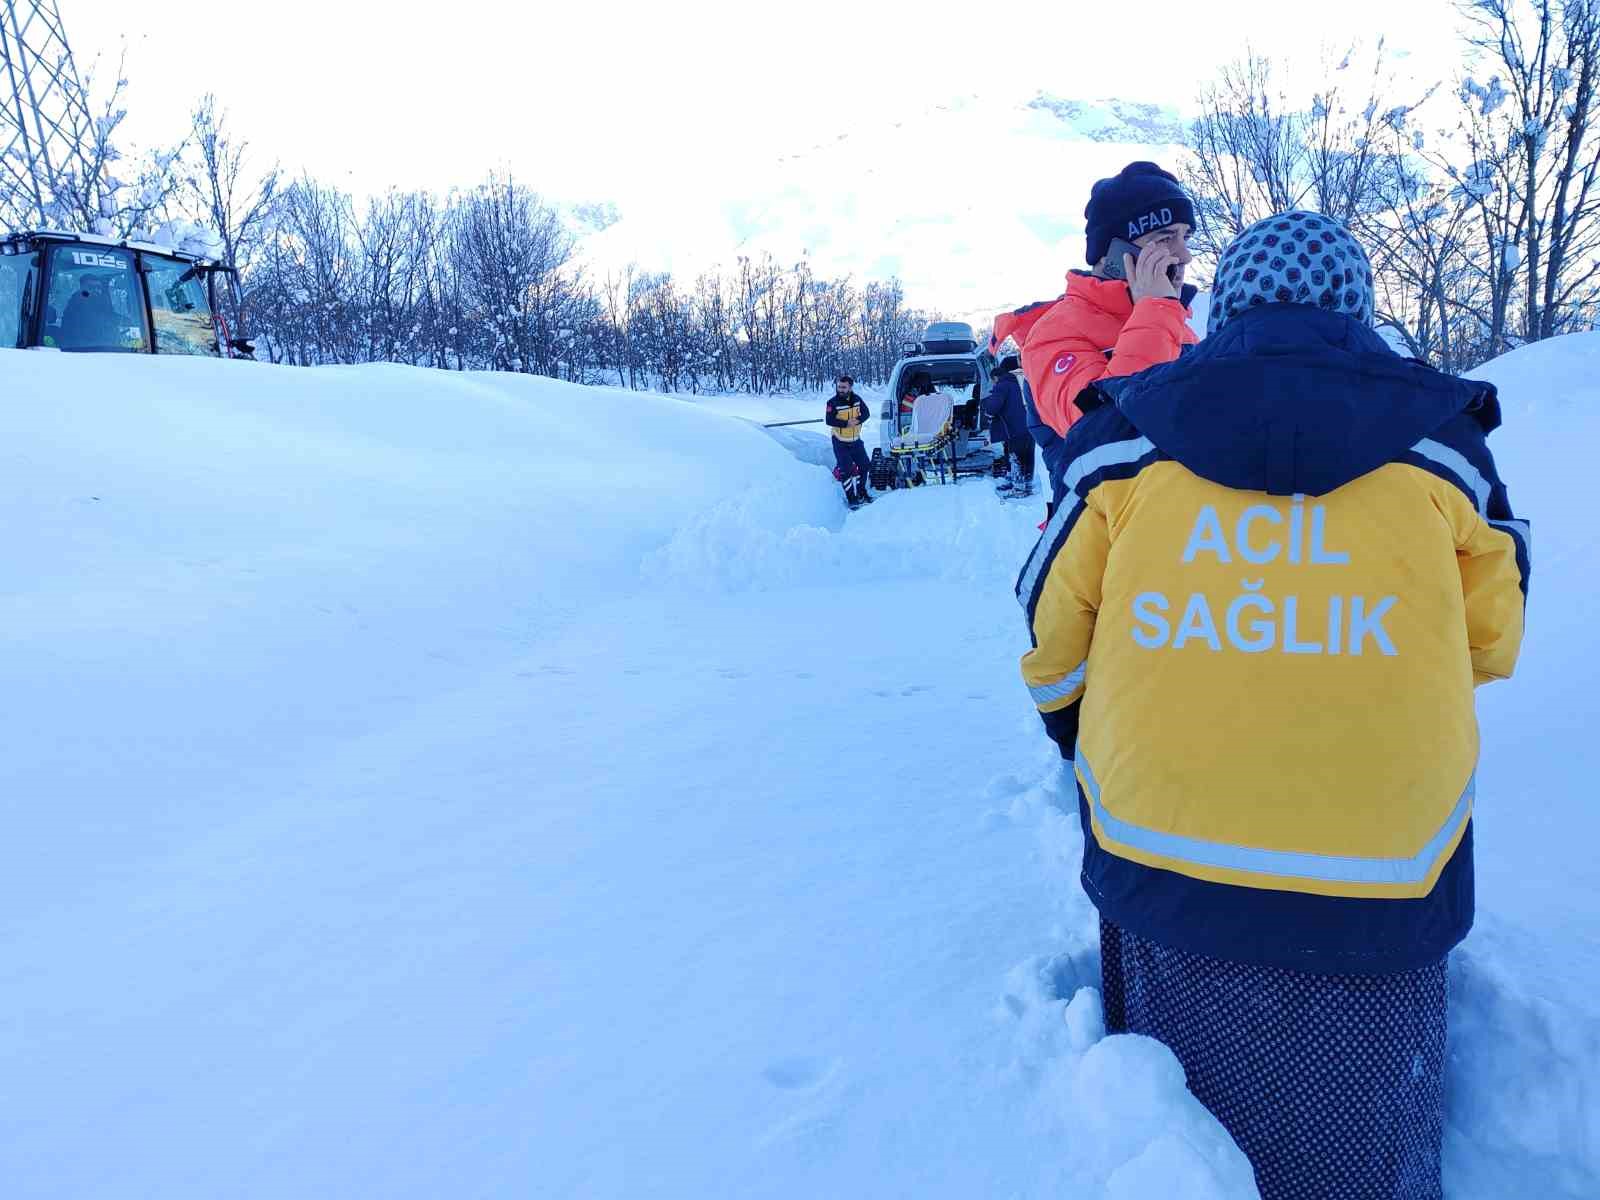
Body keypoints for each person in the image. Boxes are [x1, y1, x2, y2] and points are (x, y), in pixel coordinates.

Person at [1015, 212, 1529, 1198]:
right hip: (1387, 874)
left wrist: (1076, 729)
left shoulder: (1123, 435)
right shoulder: (1444, 445)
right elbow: (1494, 638)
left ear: (1228, 306)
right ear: (1356, 309)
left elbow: (1050, 630)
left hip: (1158, 857)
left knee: (1179, 1127)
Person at [1018, 161, 1200, 492]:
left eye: (1185, 237)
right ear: (1113, 254)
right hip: (1108, 520)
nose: (1185, 254)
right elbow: (1104, 434)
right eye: (1165, 237)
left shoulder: (1175, 321)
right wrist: (1155, 311)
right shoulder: (1052, 334)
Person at [981, 346, 1034, 497]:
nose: (993, 384)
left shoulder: (1002, 385)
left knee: (1016, 456)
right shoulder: (1020, 381)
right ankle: (1026, 484)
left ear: (996, 378)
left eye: (993, 381)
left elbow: (993, 406)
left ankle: (1018, 489)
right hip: (1029, 424)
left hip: (1014, 428)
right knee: (1027, 455)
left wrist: (986, 409)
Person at [825, 374, 873, 506]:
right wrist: (846, 424)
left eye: (843, 387)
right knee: (845, 470)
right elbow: (829, 420)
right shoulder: (832, 402)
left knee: (864, 465)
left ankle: (861, 493)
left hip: (855, 440)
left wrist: (858, 420)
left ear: (850, 388)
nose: (840, 389)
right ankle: (852, 499)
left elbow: (866, 413)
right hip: (840, 441)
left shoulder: (857, 399)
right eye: (839, 387)